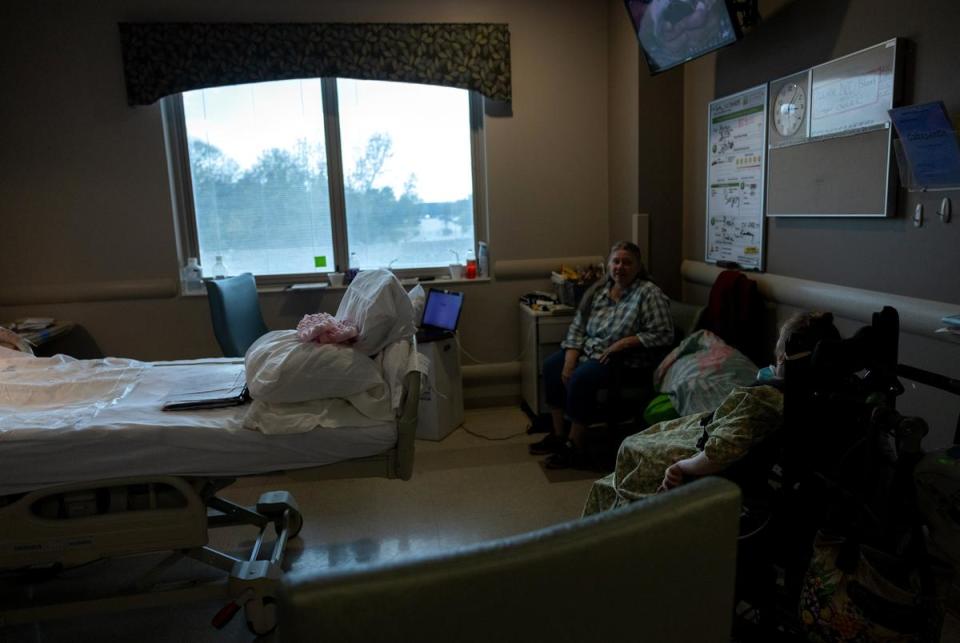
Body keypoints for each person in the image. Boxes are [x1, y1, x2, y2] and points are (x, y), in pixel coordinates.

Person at [582, 311, 842, 516]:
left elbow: (721, 450)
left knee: (631, 448)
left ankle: (614, 530)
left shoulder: (763, 398)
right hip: (710, 429)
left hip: (703, 452)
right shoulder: (813, 398)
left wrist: (682, 467)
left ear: (783, 358)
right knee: (649, 437)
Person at [531, 241, 675, 469]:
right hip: (591, 351)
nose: (620, 267)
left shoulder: (648, 293)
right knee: (552, 366)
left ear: (638, 267)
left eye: (627, 262)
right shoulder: (598, 292)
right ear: (608, 265)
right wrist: (569, 358)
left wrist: (625, 343)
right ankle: (559, 435)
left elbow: (663, 333)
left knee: (581, 377)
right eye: (616, 261)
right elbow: (577, 328)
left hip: (624, 361)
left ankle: (574, 446)